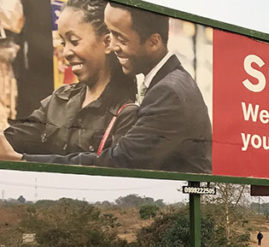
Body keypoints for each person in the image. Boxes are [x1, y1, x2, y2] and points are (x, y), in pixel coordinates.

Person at [0, 2, 212, 173]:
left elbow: (120, 162)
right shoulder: (63, 97)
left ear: (154, 42)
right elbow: (22, 133)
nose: (114, 45)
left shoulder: (167, 93)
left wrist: (23, 160)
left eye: (119, 37)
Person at [2, 0, 138, 158]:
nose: (66, 52)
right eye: (62, 42)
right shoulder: (60, 98)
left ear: (107, 42)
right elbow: (17, 136)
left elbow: (104, 169)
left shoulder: (126, 114)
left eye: (74, 41)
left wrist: (20, 160)